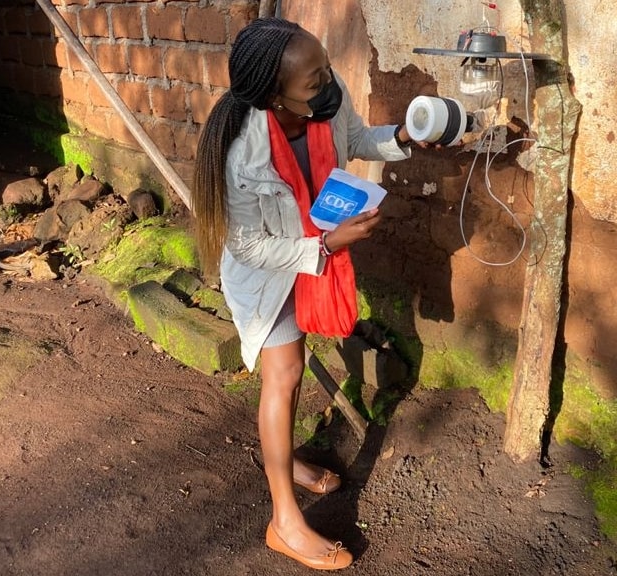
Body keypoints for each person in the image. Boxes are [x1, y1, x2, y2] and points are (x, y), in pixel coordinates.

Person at [190, 17, 418, 571]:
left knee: (295, 367)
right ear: (274, 93)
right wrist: (327, 244)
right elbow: (249, 248)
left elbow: (359, 140)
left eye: (326, 69)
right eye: (314, 80)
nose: (328, 83)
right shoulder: (243, 152)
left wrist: (406, 137)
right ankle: (284, 522)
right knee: (285, 373)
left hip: (315, 252)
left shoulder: (325, 106)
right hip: (269, 274)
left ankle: (286, 459)